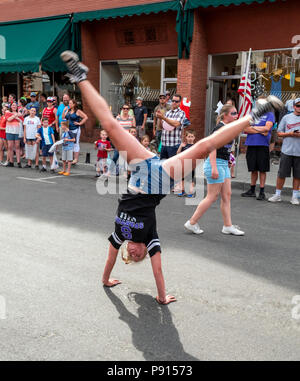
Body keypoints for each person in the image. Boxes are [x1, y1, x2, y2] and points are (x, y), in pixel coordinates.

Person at [60, 50, 283, 303]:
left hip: (141, 168)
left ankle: (80, 77)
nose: (132, 251)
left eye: (130, 254)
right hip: (159, 180)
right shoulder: (150, 238)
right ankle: (253, 115)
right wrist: (162, 297)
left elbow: (111, 258)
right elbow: (158, 270)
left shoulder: (119, 235)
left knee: (111, 127)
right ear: (144, 251)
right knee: (203, 147)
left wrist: (105, 279)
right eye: (137, 255)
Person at [184, 105, 244, 235]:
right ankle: (192, 222)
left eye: (236, 113)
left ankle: (227, 226)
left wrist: (228, 159)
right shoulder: (220, 128)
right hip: (215, 163)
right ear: (225, 115)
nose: (236, 115)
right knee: (212, 196)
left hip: (223, 164)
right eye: (233, 113)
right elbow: (211, 147)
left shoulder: (228, 128)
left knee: (226, 195)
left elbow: (225, 148)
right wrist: (214, 168)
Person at [241, 96, 275, 200]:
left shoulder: (270, 114)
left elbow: (268, 128)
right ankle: (252, 190)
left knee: (262, 169)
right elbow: (245, 128)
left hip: (263, 145)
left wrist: (253, 128)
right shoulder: (252, 114)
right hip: (251, 144)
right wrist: (261, 130)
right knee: (253, 169)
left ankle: (262, 191)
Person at [268, 97, 300, 205]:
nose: (299, 108)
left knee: (297, 175)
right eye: (297, 105)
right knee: (282, 174)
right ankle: (277, 195)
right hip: (287, 150)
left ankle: (294, 197)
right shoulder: (286, 118)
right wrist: (290, 134)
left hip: (299, 152)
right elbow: (279, 133)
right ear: (294, 106)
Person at [158, 94, 186, 160]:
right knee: (163, 166)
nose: (174, 103)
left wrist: (163, 118)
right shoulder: (167, 113)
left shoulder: (181, 113)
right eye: (173, 101)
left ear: (180, 102)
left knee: (172, 168)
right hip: (164, 144)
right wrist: (159, 117)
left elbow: (176, 124)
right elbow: (161, 126)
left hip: (174, 145)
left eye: (176, 101)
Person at [62, 99, 88, 165]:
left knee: (75, 143)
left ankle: (76, 159)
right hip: (69, 129)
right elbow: (63, 118)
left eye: (70, 103)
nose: (69, 105)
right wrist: (64, 111)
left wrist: (80, 123)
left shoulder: (78, 111)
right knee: (70, 143)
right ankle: (70, 158)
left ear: (74, 104)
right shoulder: (68, 110)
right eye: (69, 103)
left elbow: (85, 117)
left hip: (75, 129)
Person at [176, 129, 196, 197]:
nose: (190, 138)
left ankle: (191, 192)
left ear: (194, 137)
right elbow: (178, 153)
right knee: (182, 179)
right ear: (186, 137)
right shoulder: (184, 146)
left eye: (192, 136)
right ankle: (182, 190)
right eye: (189, 136)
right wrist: (180, 146)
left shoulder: (195, 146)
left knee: (190, 179)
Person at [4, 102, 23, 168]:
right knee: (10, 146)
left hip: (17, 131)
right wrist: (15, 115)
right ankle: (11, 162)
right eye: (13, 105)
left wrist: (17, 117)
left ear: (17, 107)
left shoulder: (19, 114)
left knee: (17, 146)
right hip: (9, 131)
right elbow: (8, 119)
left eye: (15, 105)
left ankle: (18, 162)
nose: (14, 106)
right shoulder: (7, 112)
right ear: (11, 107)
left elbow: (21, 121)